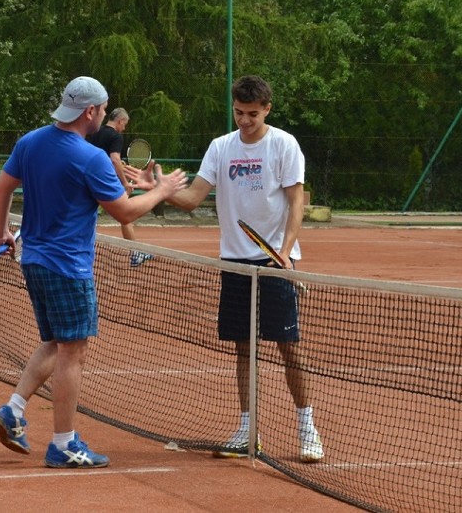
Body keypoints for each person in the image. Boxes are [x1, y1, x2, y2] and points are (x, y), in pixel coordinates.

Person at [0, 76, 187, 469]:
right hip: (68, 267)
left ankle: (13, 409)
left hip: (33, 260)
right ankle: (63, 443)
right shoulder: (89, 157)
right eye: (103, 108)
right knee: (73, 353)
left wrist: (2, 231)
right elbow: (125, 212)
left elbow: (1, 188)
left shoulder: (30, 142)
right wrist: (161, 192)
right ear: (91, 112)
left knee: (57, 342)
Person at [124, 75, 324, 463]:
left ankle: (307, 427)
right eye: (238, 112)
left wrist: (284, 252)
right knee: (243, 347)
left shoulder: (284, 145)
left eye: (252, 114)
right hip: (234, 262)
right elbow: (192, 198)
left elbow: (296, 203)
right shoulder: (221, 148)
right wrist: (159, 190)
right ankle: (249, 429)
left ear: (267, 109)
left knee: (288, 347)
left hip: (274, 263)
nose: (244, 120)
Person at [87, 107, 153, 267]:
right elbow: (114, 159)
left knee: (84, 214)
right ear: (120, 121)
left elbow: (102, 157)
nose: (124, 128)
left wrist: (119, 167)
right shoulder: (116, 136)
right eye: (125, 124)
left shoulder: (96, 131)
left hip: (89, 177)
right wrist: (124, 183)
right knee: (126, 214)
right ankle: (136, 253)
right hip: (106, 181)